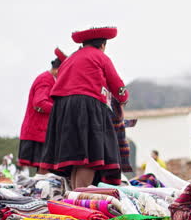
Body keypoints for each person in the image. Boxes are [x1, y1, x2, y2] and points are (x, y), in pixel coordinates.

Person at [40, 27, 129, 189]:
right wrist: (124, 98)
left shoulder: (70, 59)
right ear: (102, 45)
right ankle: (80, 198)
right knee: (90, 154)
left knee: (77, 156)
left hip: (63, 109)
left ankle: (74, 195)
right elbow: (117, 85)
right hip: (87, 105)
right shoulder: (100, 57)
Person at [18, 48, 66, 175]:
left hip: (42, 131)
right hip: (38, 131)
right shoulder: (45, 80)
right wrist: (61, 110)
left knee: (44, 168)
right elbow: (39, 103)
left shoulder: (50, 79)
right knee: (44, 168)